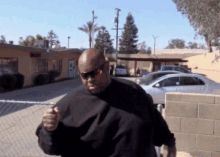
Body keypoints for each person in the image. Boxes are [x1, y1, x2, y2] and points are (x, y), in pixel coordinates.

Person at [36, 48, 176, 157]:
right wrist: (49, 130)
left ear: (107, 67)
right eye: (85, 75)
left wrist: (170, 143)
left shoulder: (133, 92)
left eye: (95, 73)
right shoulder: (68, 105)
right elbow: (49, 147)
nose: (90, 79)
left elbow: (155, 122)